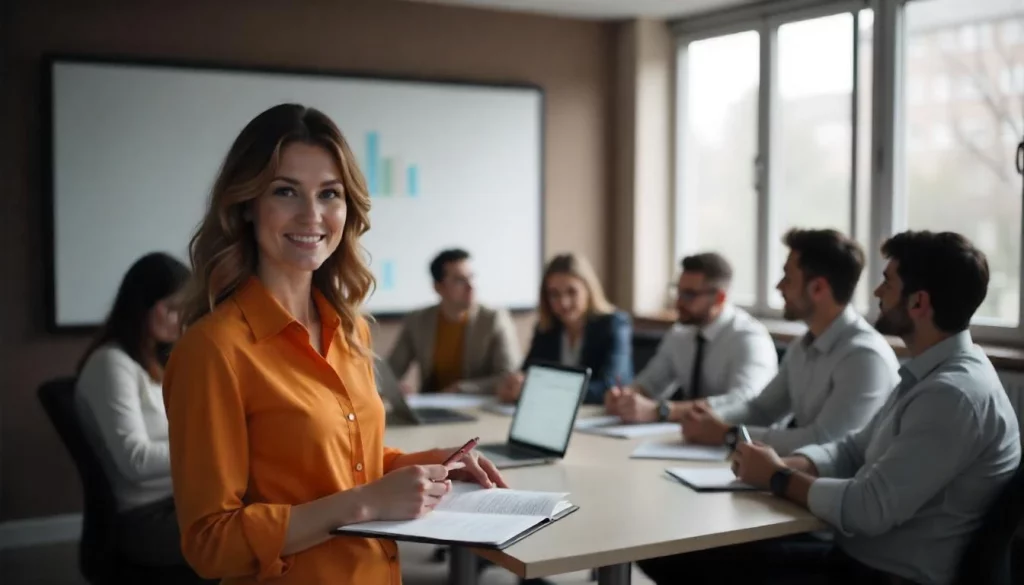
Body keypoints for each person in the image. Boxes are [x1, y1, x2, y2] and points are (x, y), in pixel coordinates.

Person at [162, 103, 507, 585]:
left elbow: (351, 462)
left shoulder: (351, 331)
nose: (312, 215)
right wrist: (365, 502)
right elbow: (210, 543)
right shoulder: (214, 350)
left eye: (330, 194)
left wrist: (434, 462)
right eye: (285, 191)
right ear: (246, 206)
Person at [641, 230, 1022, 585]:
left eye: (888, 282)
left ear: (919, 302)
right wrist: (789, 465)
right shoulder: (928, 374)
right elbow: (853, 447)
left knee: (691, 561)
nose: (876, 291)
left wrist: (776, 477)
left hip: (883, 575)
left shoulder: (951, 394)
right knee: (677, 554)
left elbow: (867, 508)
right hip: (857, 558)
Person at [682, 229, 900, 455]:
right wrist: (710, 418)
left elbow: (824, 441)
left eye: (787, 278)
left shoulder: (864, 357)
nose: (779, 287)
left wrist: (727, 433)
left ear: (818, 288)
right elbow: (761, 410)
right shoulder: (803, 346)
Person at [74, 252, 207, 581]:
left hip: (175, 503)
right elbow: (134, 461)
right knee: (256, 538)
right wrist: (209, 453)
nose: (181, 318)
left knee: (268, 517)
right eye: (172, 308)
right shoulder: (112, 364)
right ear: (142, 304)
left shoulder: (154, 364)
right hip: (145, 520)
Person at [605, 252, 777, 423]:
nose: (678, 302)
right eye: (677, 291)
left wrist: (663, 411)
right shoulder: (680, 333)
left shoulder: (750, 339)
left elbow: (743, 401)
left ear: (719, 298)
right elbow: (651, 383)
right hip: (688, 439)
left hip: (743, 441)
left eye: (689, 295)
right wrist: (627, 396)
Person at [496, 253, 633, 405]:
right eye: (554, 294)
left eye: (572, 292)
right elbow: (529, 373)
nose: (564, 302)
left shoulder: (614, 325)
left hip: (599, 417)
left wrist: (543, 389)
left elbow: (609, 387)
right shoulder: (546, 329)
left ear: (588, 290)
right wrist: (515, 385)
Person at [387, 248, 520, 395]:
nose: (471, 286)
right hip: (431, 406)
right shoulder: (417, 321)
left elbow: (509, 378)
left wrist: (462, 388)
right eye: (460, 280)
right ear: (438, 287)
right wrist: (395, 387)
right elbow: (391, 371)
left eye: (472, 277)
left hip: (478, 408)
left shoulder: (494, 319)